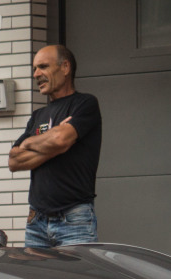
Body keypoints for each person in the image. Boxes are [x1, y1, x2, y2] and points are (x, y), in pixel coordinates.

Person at [8, 44, 102, 247]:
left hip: (74, 218)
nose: (36, 74)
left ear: (65, 67)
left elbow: (60, 140)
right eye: (34, 69)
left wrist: (32, 143)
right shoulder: (37, 116)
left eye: (43, 66)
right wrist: (55, 146)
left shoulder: (85, 104)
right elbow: (14, 160)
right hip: (36, 221)